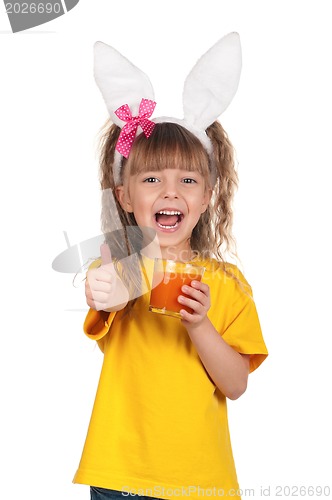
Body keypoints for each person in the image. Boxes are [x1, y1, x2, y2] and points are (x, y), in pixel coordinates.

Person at [73, 33, 268, 500]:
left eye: (186, 179)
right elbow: (108, 290)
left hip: (200, 482)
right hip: (120, 476)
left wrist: (200, 325)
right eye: (152, 178)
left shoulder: (226, 284)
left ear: (205, 197)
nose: (170, 191)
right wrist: (138, 260)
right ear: (125, 195)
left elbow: (236, 385)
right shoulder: (119, 262)